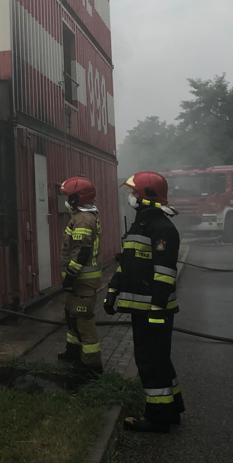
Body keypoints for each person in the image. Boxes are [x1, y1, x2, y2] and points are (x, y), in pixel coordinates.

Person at [105, 170, 185, 433]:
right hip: (143, 310)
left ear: (146, 196)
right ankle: (171, 408)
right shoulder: (141, 225)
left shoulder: (162, 229)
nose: (131, 196)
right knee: (158, 360)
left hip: (154, 311)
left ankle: (157, 418)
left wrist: (157, 310)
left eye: (134, 192)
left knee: (151, 362)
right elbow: (127, 264)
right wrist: (112, 290)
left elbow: (165, 274)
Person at [57, 176, 104, 376]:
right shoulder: (82, 216)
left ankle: (92, 366)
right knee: (72, 316)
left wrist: (70, 275)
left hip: (82, 281)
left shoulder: (83, 219)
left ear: (77, 198)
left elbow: (82, 252)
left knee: (83, 321)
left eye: (68, 196)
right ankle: (73, 352)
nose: (66, 200)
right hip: (78, 282)